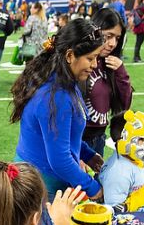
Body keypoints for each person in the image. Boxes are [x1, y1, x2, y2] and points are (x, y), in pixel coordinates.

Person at [12, 18, 106, 200]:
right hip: (41, 186)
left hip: (39, 178)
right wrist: (93, 188)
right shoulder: (56, 95)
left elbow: (65, 135)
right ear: (70, 56)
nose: (94, 65)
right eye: (90, 58)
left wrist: (88, 155)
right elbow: (59, 159)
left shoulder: (61, 80)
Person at [82, 8, 133, 156]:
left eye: (117, 38)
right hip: (78, 138)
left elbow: (124, 106)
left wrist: (121, 74)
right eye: (108, 36)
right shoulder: (82, 62)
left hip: (99, 137)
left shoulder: (111, 64)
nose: (112, 44)